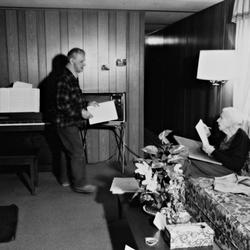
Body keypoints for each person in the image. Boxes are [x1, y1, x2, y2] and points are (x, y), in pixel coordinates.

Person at [55, 48, 98, 193]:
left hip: (67, 121)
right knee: (77, 152)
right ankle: (80, 184)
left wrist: (87, 104)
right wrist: (81, 112)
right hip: (66, 122)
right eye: (81, 61)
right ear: (72, 60)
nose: (84, 64)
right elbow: (62, 104)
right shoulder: (64, 78)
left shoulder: (72, 76)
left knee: (66, 150)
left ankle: (65, 180)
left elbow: (74, 99)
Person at [185, 107, 250, 177]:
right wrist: (208, 135)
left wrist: (213, 151)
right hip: (218, 163)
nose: (218, 120)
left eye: (221, 118)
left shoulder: (242, 138)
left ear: (230, 122)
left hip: (229, 171)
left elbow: (236, 165)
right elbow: (217, 145)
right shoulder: (224, 133)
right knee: (189, 161)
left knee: (190, 165)